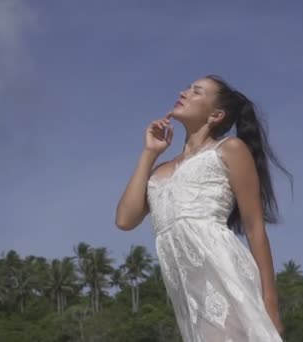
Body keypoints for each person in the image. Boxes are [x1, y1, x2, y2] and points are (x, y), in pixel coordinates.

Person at [115, 75, 290, 341]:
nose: (184, 92)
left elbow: (255, 229)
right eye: (187, 88)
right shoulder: (160, 170)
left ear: (216, 115)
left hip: (225, 274)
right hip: (188, 293)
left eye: (196, 91)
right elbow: (125, 220)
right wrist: (150, 153)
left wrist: (270, 303)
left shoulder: (229, 149)